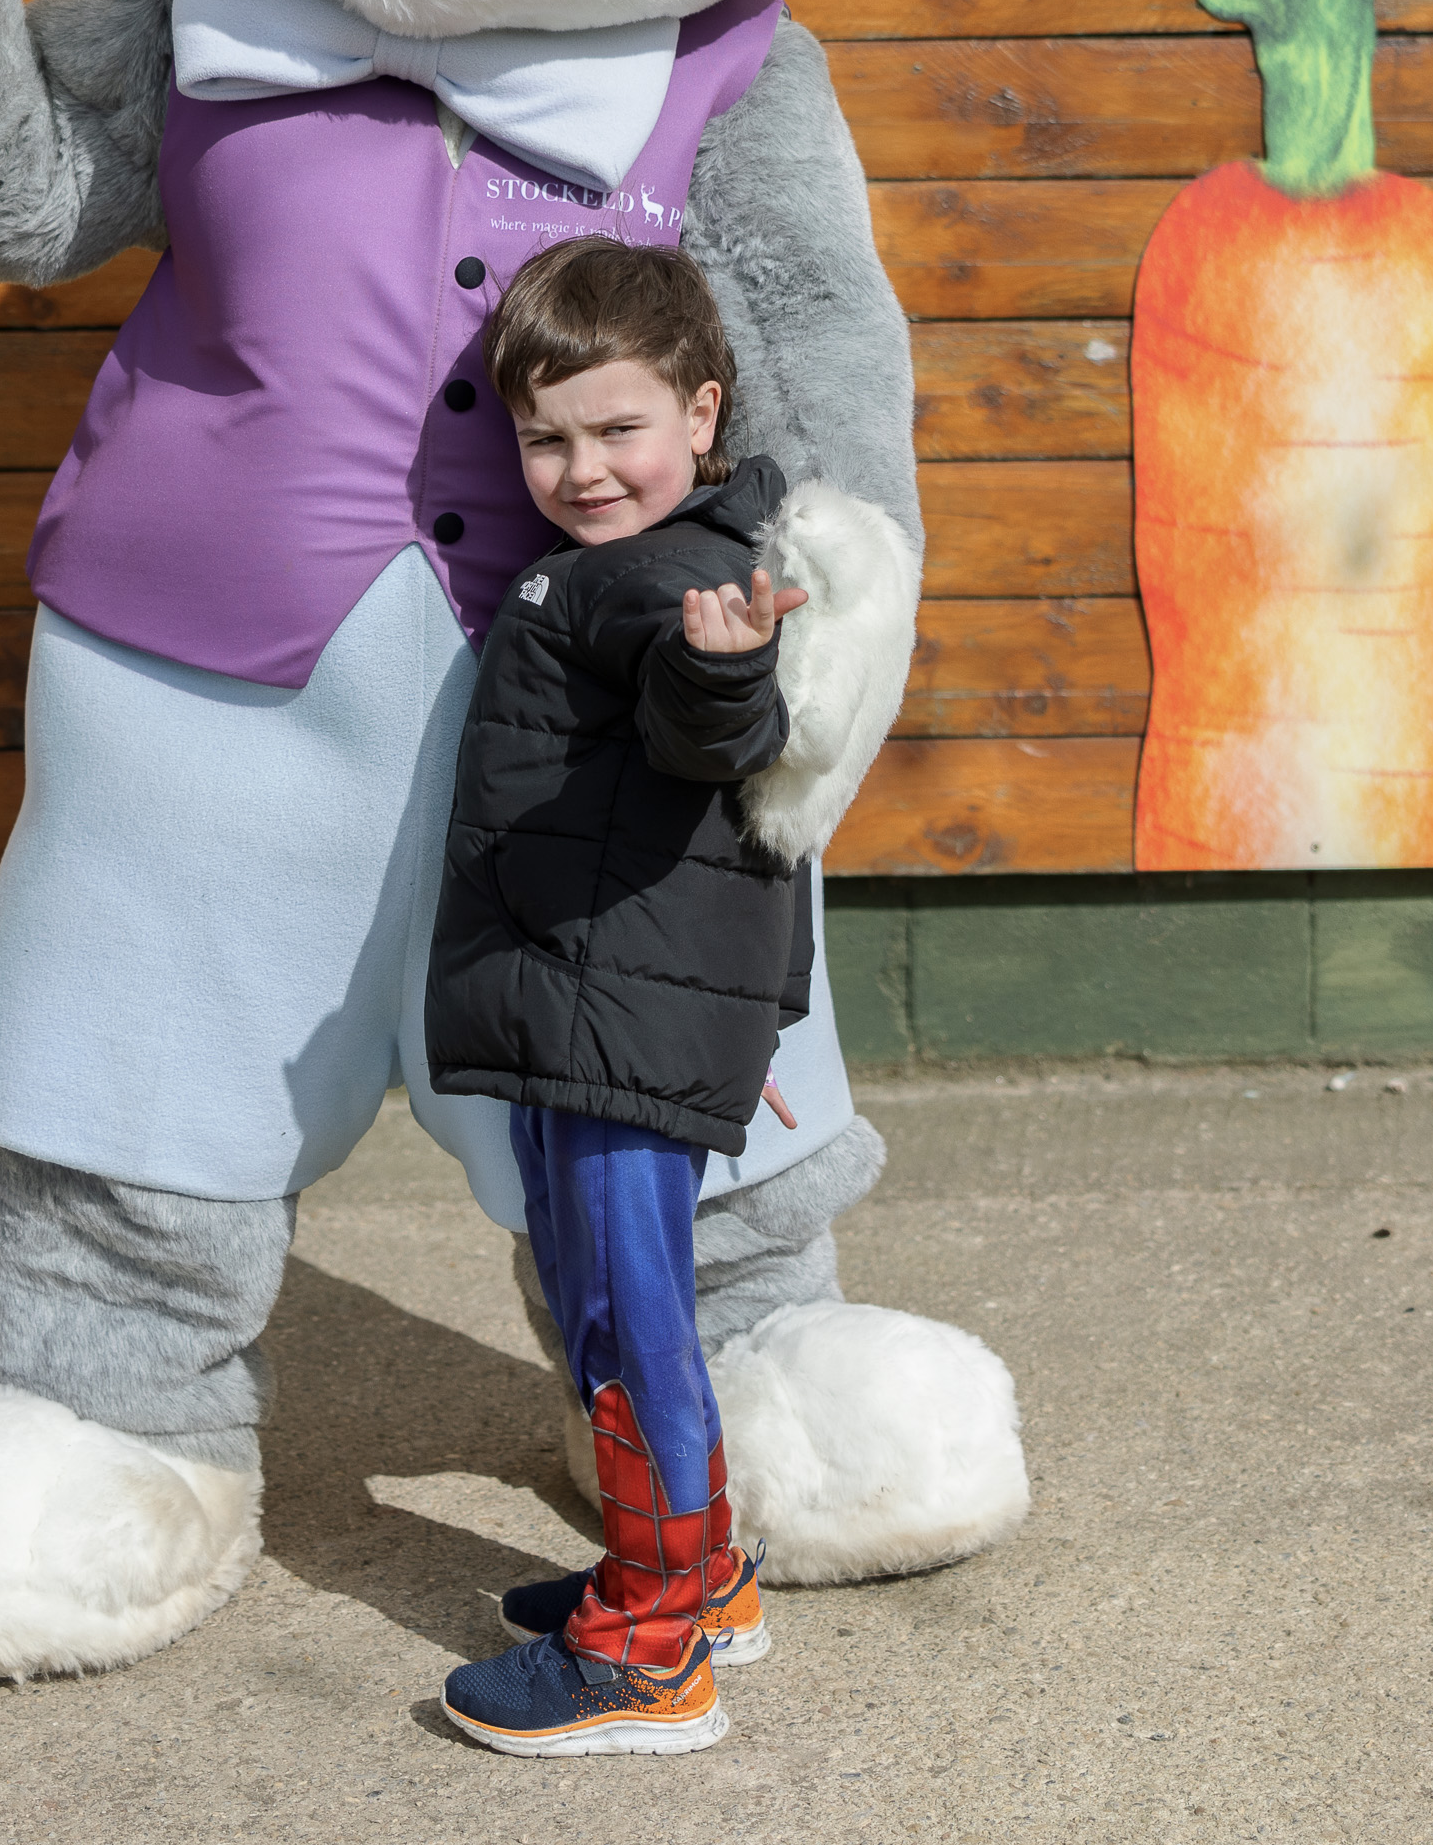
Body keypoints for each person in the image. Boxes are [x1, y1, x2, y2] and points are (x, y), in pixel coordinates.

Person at [422, 235, 823, 1758]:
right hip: (595, 1006)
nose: (582, 466)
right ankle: (698, 1571)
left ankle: (653, 1649)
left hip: (614, 1019)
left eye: (618, 428)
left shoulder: (676, 577)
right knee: (606, 1298)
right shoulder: (625, 558)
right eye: (546, 436)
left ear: (702, 413)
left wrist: (725, 672)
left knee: (629, 1310)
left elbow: (710, 720)